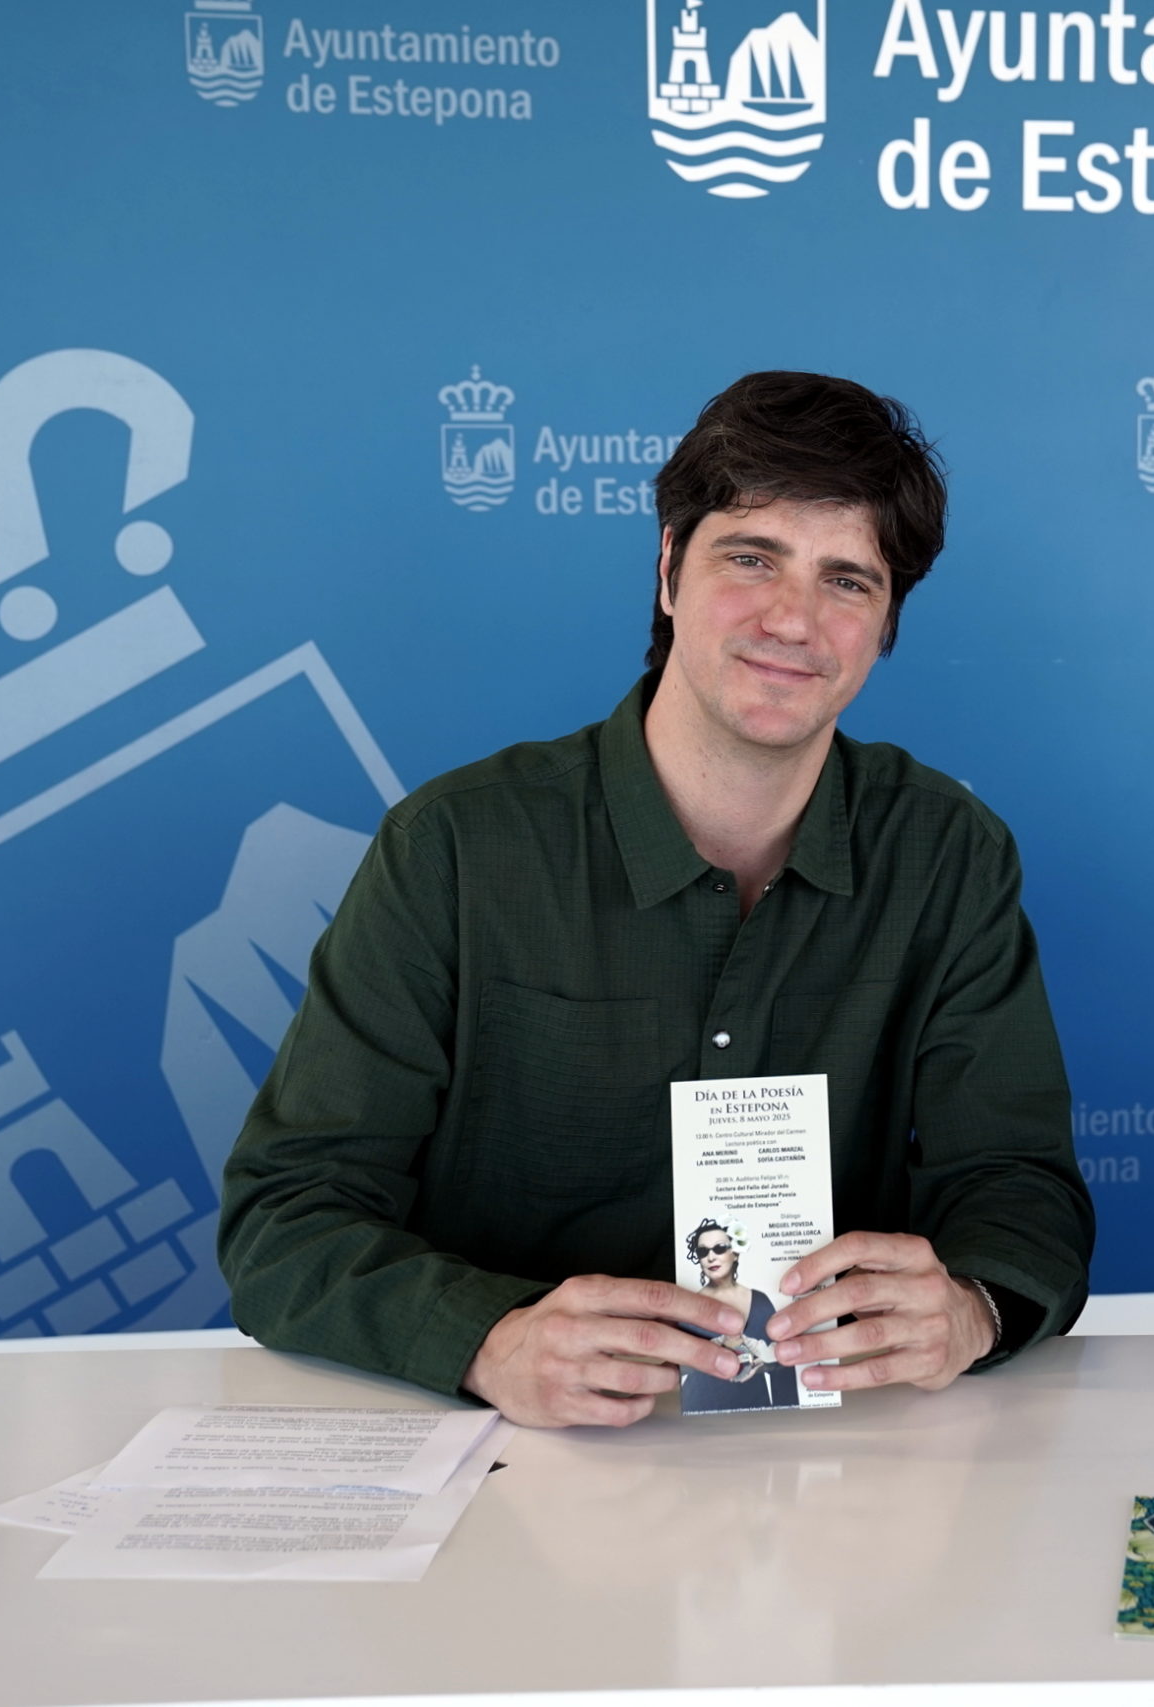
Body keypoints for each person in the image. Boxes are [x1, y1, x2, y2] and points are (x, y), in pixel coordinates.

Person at [219, 371, 1094, 1427]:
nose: (793, 619)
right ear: (669, 568)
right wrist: (487, 1340)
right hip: (508, 1449)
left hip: (833, 1452)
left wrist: (970, 1309)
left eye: (847, 581)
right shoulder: (454, 848)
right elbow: (287, 1217)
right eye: (751, 558)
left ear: (886, 624)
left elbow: (1018, 1186)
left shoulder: (947, 854)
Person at [676, 1220, 799, 1411]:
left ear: (735, 1253)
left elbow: (783, 1367)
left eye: (719, 1248)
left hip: (758, 1409)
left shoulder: (760, 1301)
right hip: (702, 1408)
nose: (711, 1257)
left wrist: (764, 1365)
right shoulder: (687, 1307)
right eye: (703, 1251)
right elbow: (678, 1366)